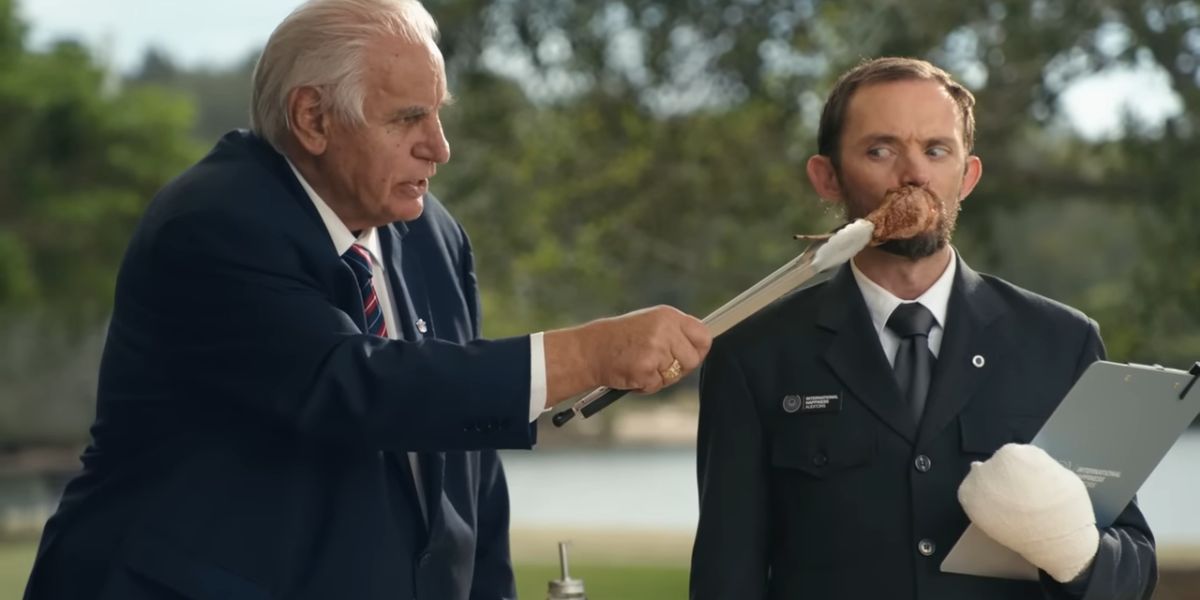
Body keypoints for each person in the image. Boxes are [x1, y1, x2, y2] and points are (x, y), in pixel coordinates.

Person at [22, 1, 711, 599]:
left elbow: (466, 460)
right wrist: (589, 355)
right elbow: (353, 387)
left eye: (438, 114)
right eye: (408, 118)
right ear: (313, 117)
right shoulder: (212, 224)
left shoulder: (434, 234)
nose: (439, 148)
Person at [689, 57, 1155, 600]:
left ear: (968, 175)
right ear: (828, 177)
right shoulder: (752, 355)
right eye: (880, 151)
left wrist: (1074, 552)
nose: (914, 174)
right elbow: (726, 576)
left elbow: (1133, 570)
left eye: (936, 151)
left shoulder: (1062, 343)